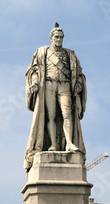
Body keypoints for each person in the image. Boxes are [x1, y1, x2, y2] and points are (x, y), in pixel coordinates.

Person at [24, 23, 87, 171]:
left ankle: (70, 143)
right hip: (48, 85)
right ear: (51, 38)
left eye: (61, 37)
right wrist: (34, 82)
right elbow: (34, 70)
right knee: (50, 116)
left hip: (65, 85)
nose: (59, 39)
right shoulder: (42, 52)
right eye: (56, 37)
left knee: (67, 115)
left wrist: (78, 83)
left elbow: (78, 73)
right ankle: (52, 144)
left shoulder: (70, 54)